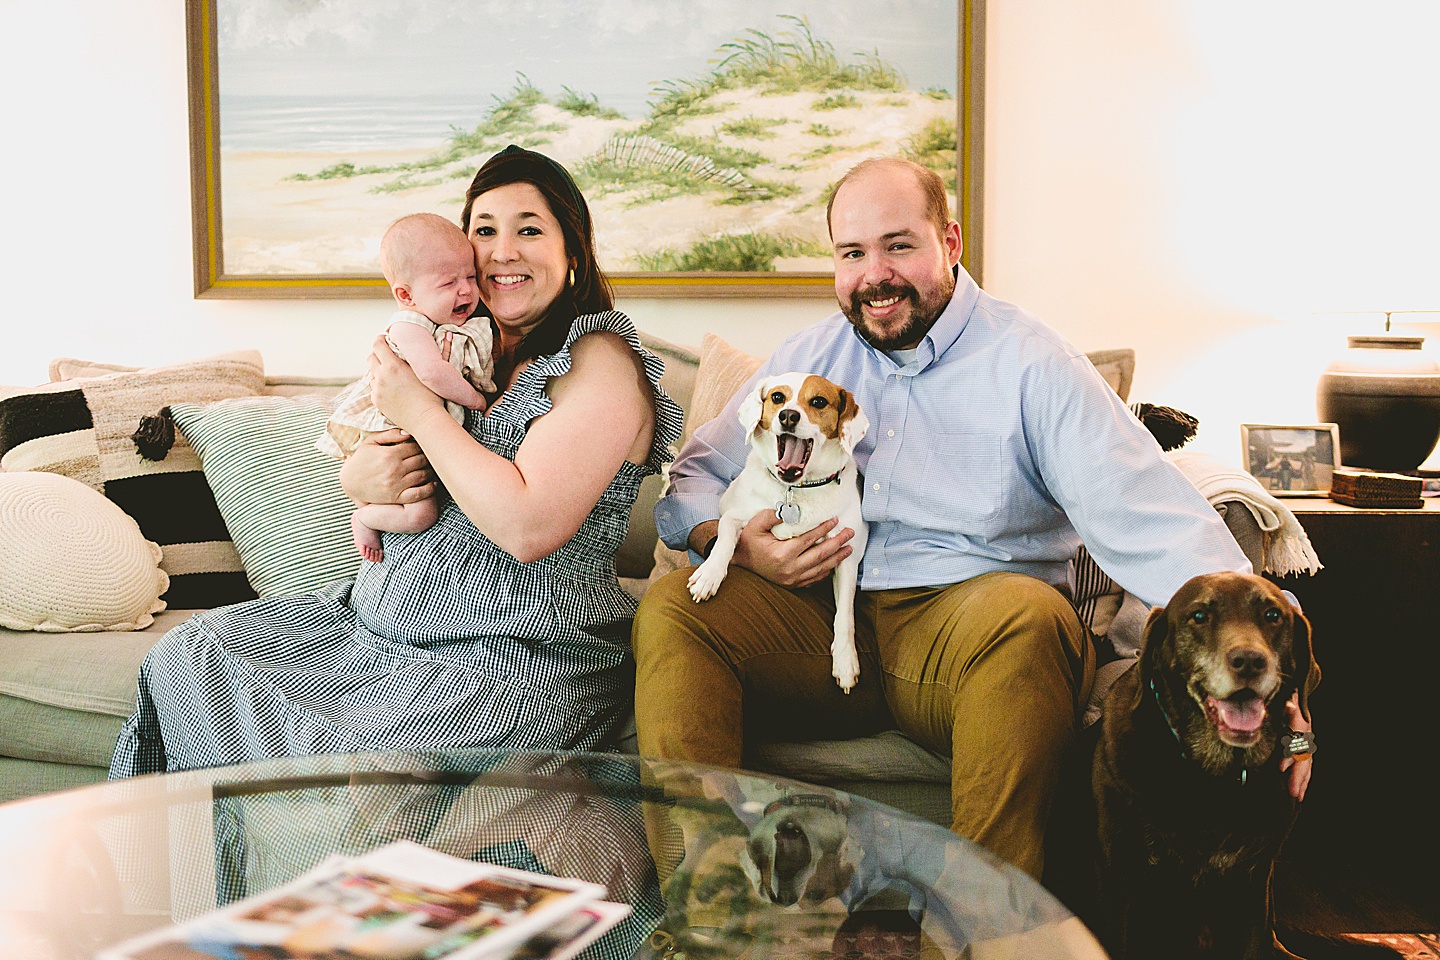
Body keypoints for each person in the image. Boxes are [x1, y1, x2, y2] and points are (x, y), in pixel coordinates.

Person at [632, 156, 1312, 880]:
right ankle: (715, 923)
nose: (875, 275)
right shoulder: (806, 362)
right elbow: (696, 475)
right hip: (821, 623)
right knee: (676, 608)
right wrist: (728, 545)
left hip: (971, 633)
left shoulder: (1030, 363)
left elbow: (1149, 514)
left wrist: (1286, 681)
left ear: (950, 243)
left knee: (1030, 615)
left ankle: (983, 938)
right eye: (852, 254)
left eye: (899, 246)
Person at [110, 144, 684, 779]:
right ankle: (201, 876)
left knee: (366, 753)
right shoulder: (465, 345)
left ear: (572, 250)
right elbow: (385, 448)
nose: (503, 251)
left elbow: (529, 526)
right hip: (374, 622)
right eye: (484, 231)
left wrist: (420, 412)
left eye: (529, 229)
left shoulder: (599, 362)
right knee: (190, 654)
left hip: (516, 655)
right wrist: (357, 477)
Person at [318, 212, 496, 563]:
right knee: (419, 515)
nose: (466, 290)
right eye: (448, 283)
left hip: (423, 439)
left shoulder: (460, 327)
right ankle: (365, 518)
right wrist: (478, 400)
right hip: (395, 432)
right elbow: (431, 373)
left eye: (471, 277)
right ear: (406, 295)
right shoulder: (408, 325)